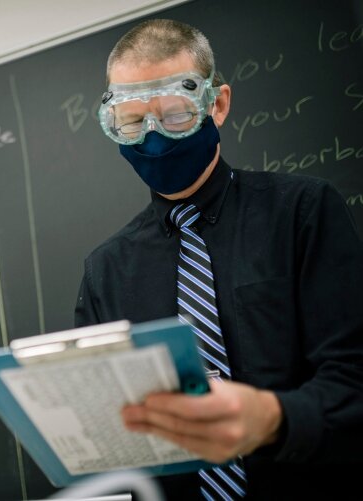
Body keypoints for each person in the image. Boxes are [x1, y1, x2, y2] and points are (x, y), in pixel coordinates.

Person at [75, 19, 363, 500]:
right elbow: (111, 428)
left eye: (174, 113)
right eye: (130, 121)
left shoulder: (302, 212)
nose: (152, 136)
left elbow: (354, 376)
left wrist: (273, 418)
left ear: (218, 103)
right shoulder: (106, 269)